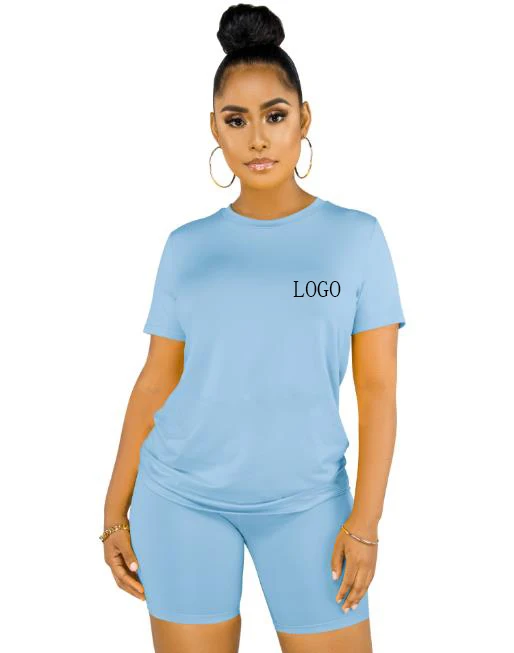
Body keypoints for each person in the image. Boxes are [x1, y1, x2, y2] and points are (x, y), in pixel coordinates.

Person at [101, 4, 406, 651]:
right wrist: (113, 511)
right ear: (215, 127)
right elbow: (156, 380)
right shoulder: (187, 246)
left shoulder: (356, 239)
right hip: (180, 499)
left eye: (274, 115)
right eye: (236, 120)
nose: (257, 139)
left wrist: (366, 521)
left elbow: (378, 389)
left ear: (304, 119)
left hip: (309, 505)